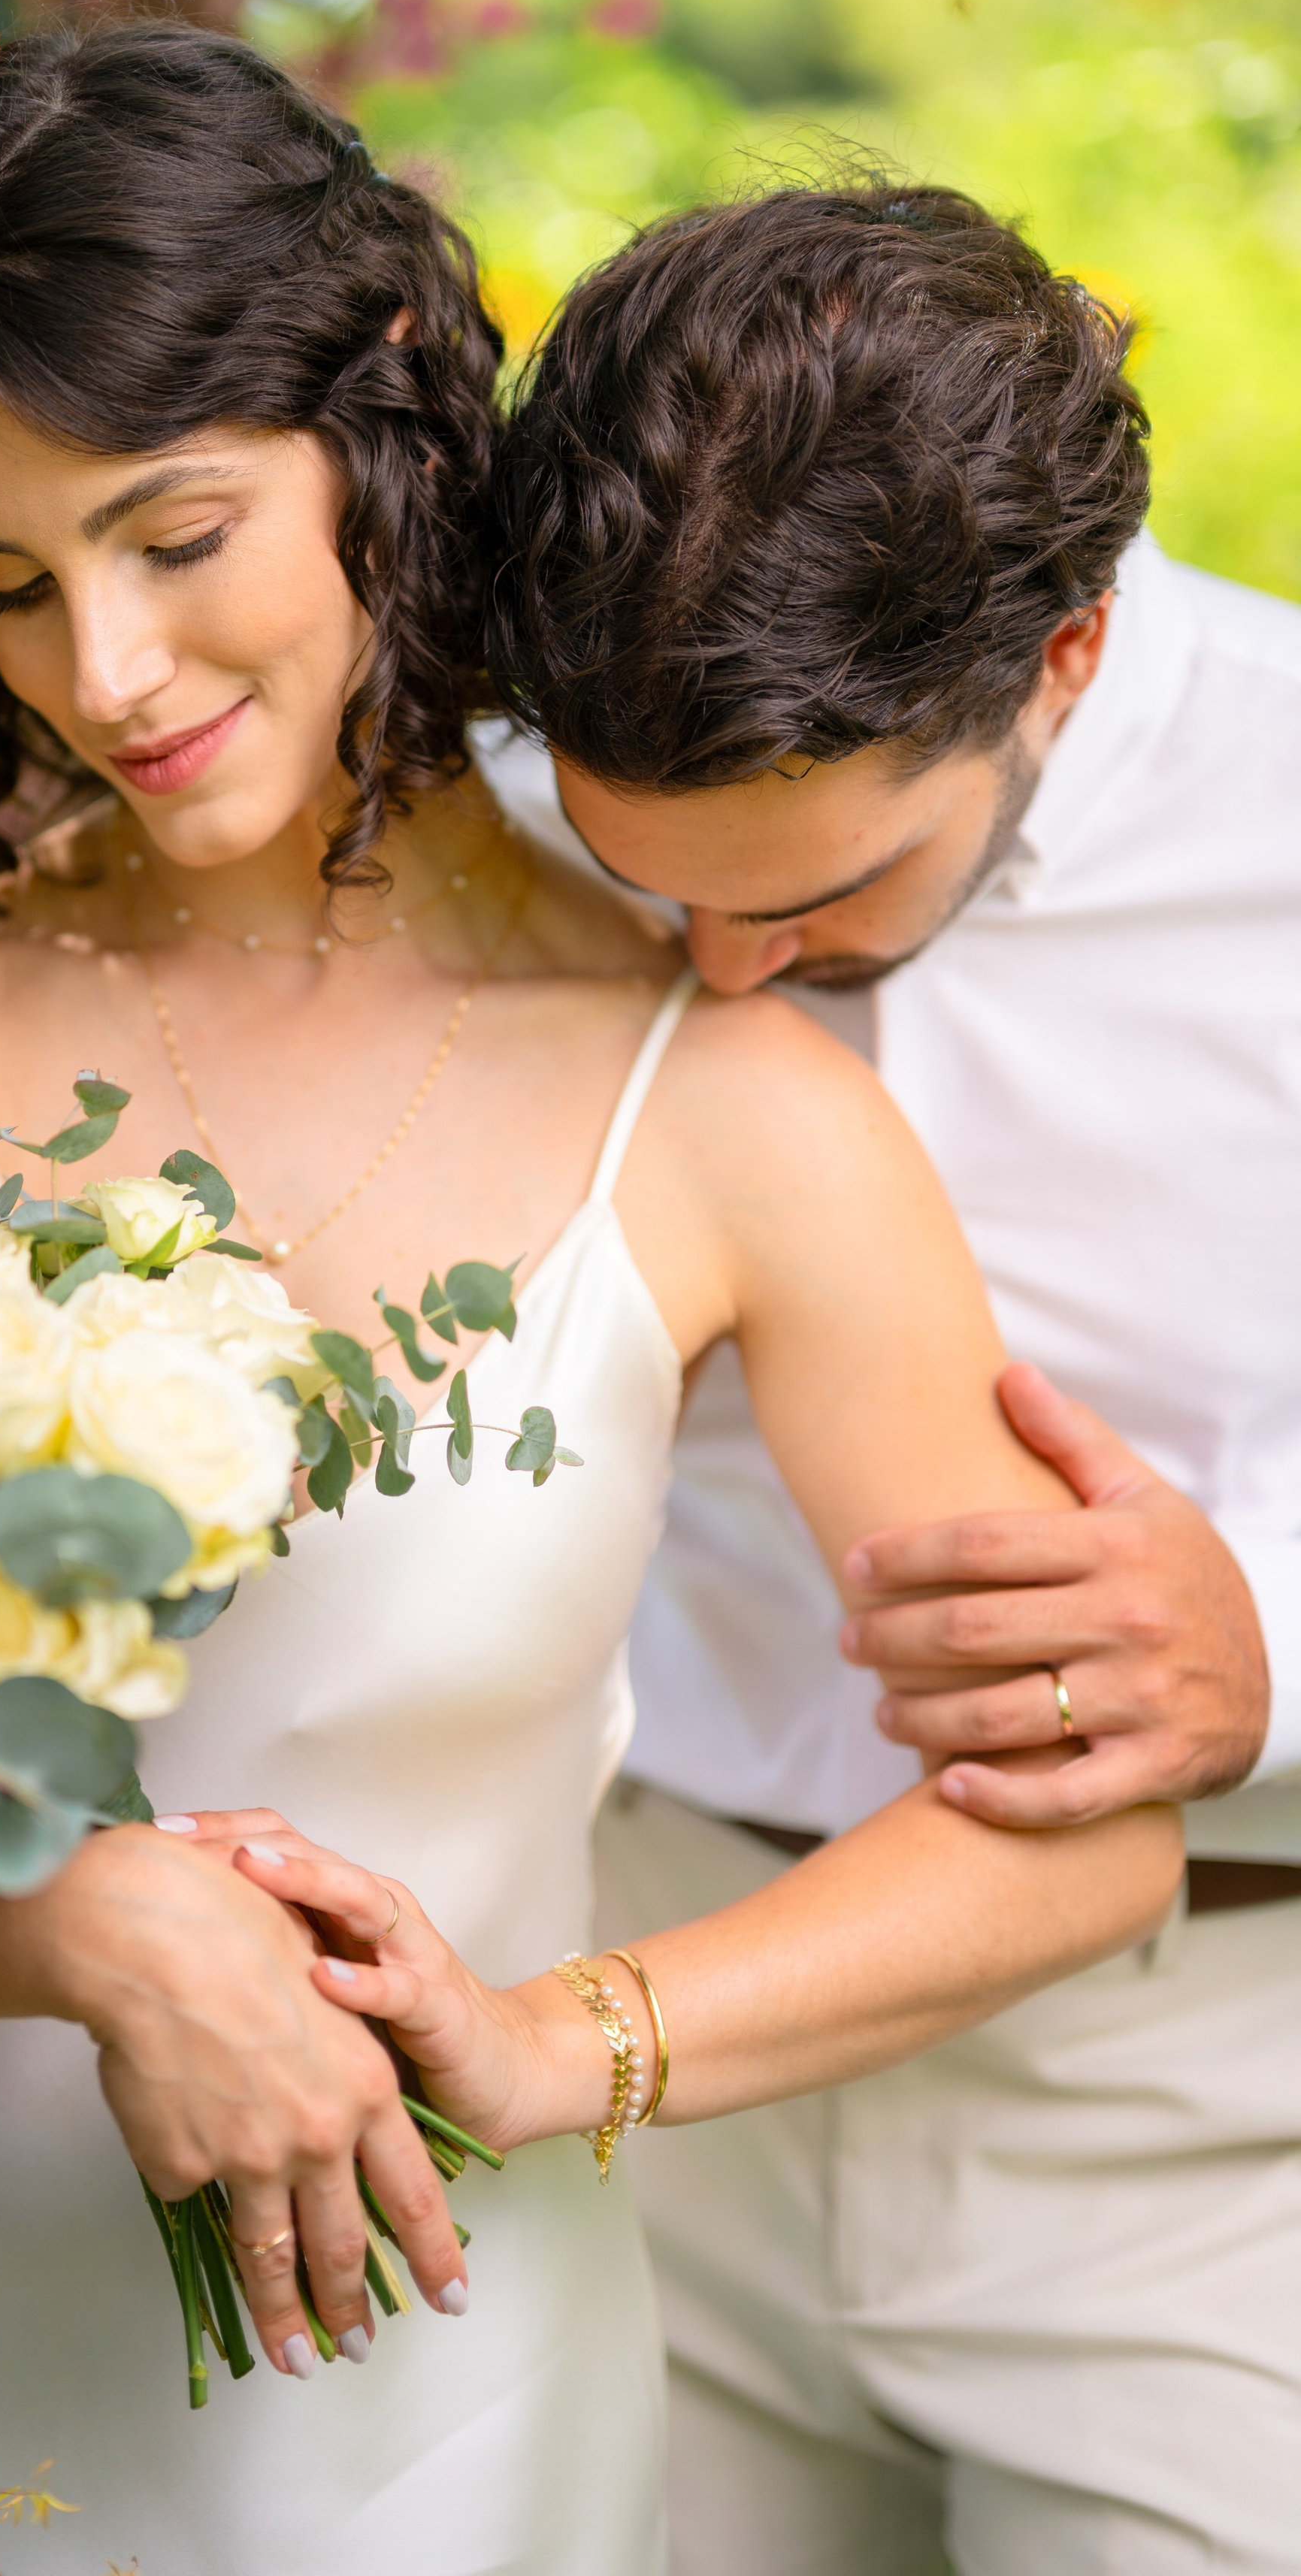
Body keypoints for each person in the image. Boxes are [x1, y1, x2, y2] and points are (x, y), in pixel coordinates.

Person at [0, 38, 1178, 2576]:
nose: (105, 670)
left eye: (175, 537)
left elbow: (1073, 1832)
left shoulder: (727, 1104)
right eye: (10, 584)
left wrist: (562, 2040)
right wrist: (85, 1925)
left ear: (380, 420)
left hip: (436, 2419)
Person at [453, 180, 1300, 2574]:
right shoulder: (484, 817)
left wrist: (1274, 1646)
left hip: (1211, 2117)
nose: (723, 977)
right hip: (631, 2027)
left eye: (819, 894)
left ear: (1064, 650)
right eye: (661, 889)